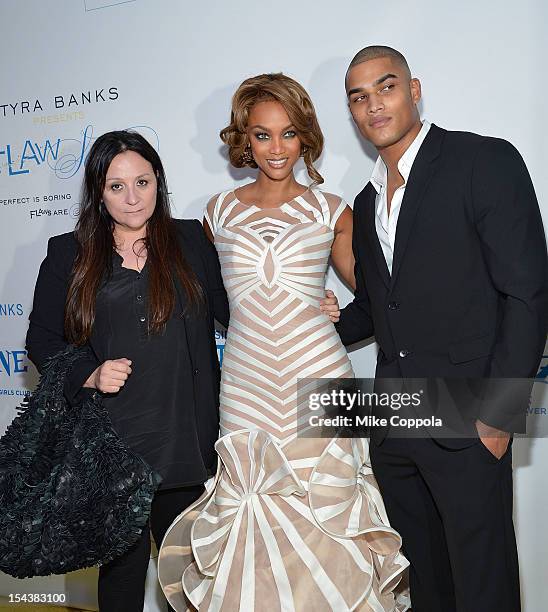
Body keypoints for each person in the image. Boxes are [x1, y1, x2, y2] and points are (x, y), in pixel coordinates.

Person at [158, 73, 410, 612]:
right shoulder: (217, 213)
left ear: (306, 138)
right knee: (252, 526)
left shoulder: (333, 210)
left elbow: (380, 298)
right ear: (243, 139)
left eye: (289, 134)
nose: (277, 148)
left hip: (320, 373)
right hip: (246, 384)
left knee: (331, 517)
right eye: (263, 134)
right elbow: (211, 306)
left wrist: (334, 308)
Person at [336, 45, 548, 611]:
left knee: (484, 586)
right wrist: (293, 318)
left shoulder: (483, 161)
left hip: (468, 419)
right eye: (359, 97)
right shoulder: (364, 200)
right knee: (427, 588)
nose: (373, 105)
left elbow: (527, 293)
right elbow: (381, 307)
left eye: (386, 87)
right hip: (395, 423)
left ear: (415, 89)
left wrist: (498, 416)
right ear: (351, 112)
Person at [26, 130, 230, 612]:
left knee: (191, 578)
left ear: (158, 181)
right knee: (122, 575)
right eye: (117, 186)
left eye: (143, 181)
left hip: (185, 439)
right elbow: (41, 340)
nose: (133, 197)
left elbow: (235, 310)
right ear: (99, 191)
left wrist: (305, 304)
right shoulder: (68, 253)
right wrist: (90, 374)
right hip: (113, 446)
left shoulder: (191, 240)